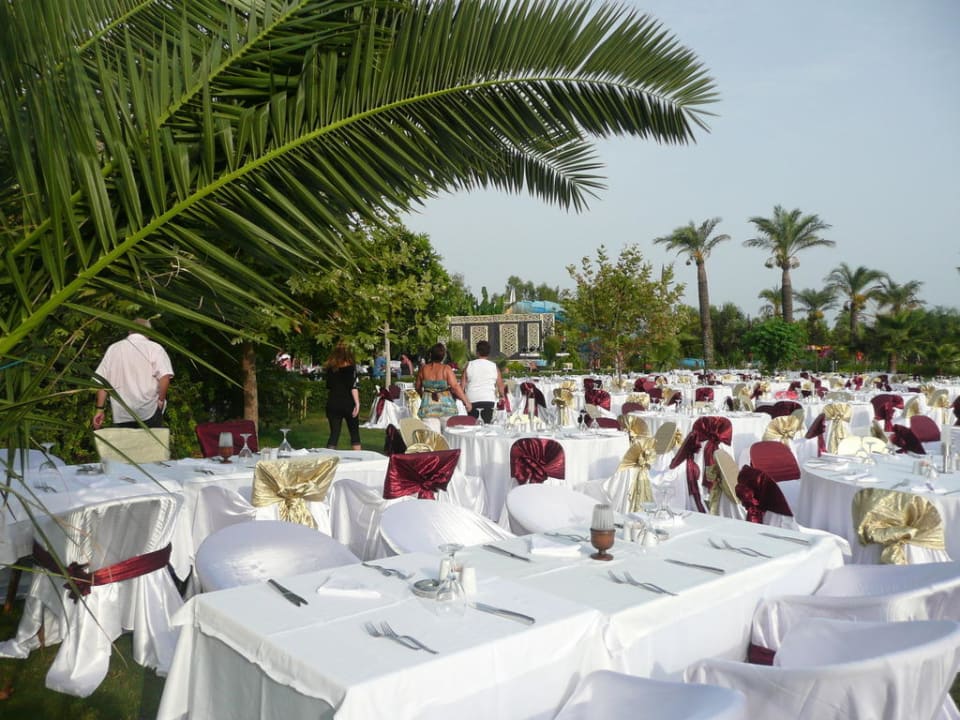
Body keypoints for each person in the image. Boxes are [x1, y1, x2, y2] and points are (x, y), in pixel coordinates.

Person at [93, 318, 174, 429]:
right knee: (150, 440)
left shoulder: (114, 349)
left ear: (129, 331)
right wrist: (161, 400)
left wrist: (100, 409)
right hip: (148, 411)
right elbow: (164, 377)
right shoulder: (155, 348)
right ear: (149, 332)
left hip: (121, 412)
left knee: (125, 441)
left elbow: (102, 381)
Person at [416, 343, 471, 427]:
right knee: (448, 432)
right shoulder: (446, 369)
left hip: (428, 407)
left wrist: (423, 396)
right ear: (443, 356)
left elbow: (418, 387)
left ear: (431, 354)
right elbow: (455, 386)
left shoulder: (423, 369)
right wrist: (466, 401)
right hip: (446, 407)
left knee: (432, 434)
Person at [324, 342, 362, 450]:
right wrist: (357, 403)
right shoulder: (351, 368)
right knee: (354, 434)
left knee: (334, 434)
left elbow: (329, 385)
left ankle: (328, 457)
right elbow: (353, 387)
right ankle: (359, 458)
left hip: (333, 402)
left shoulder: (330, 369)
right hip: (348, 403)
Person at [461, 340, 505, 424]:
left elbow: (462, 386)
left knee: (472, 426)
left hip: (471, 400)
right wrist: (502, 397)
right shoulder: (493, 366)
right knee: (487, 426)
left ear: (477, 352)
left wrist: (463, 400)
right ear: (488, 353)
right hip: (488, 400)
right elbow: (500, 386)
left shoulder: (469, 365)